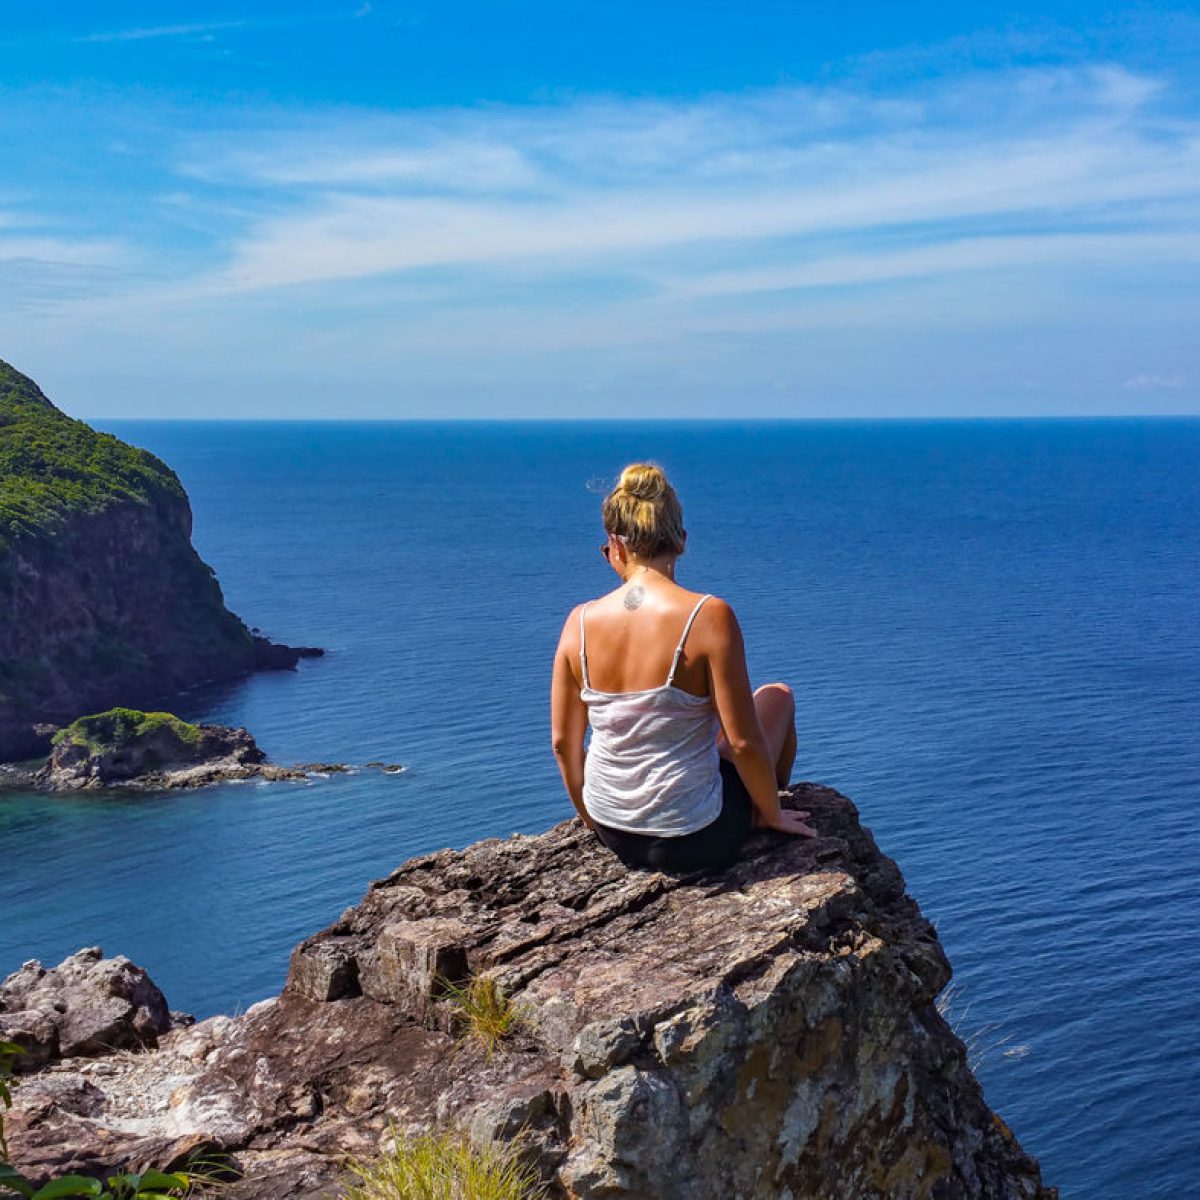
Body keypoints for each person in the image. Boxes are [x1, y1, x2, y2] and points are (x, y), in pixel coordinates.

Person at [551, 462, 816, 872]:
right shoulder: (708, 616)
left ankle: (756, 806)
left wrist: (592, 821)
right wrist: (773, 813)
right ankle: (767, 809)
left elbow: (564, 744)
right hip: (696, 835)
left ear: (615, 547)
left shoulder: (578, 623)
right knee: (777, 697)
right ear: (682, 541)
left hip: (612, 828)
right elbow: (743, 742)